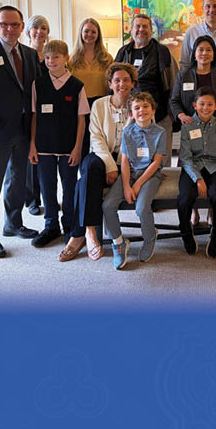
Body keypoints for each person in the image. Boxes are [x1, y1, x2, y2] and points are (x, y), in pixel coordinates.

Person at [58, 62, 138, 263]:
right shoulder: (99, 104)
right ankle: (91, 232)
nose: (121, 84)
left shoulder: (139, 104)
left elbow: (140, 138)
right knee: (91, 167)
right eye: (117, 80)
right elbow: (96, 137)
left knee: (82, 183)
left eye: (126, 80)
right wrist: (110, 166)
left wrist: (119, 165)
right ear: (110, 83)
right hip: (102, 155)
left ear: (133, 83)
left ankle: (78, 234)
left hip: (127, 159)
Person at [0, 5, 39, 258]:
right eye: (4, 24)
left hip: (23, 130)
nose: (10, 28)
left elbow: (34, 91)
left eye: (15, 24)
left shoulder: (30, 54)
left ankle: (13, 223)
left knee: (17, 180)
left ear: (22, 26)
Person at [29, 40, 89, 247]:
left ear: (66, 58)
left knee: (69, 187)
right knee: (47, 187)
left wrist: (77, 148)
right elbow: (34, 116)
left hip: (68, 147)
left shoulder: (77, 86)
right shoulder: (38, 84)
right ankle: (51, 225)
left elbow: (81, 120)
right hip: (43, 146)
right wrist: (32, 145)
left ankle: (69, 225)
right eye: (47, 57)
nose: (51, 61)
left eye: (56, 57)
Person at [102, 91, 166, 268]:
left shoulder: (160, 132)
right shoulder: (127, 132)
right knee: (107, 206)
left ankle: (150, 237)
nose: (142, 110)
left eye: (146, 106)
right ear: (131, 114)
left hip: (150, 174)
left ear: (153, 110)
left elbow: (156, 162)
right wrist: (126, 186)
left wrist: (137, 185)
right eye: (137, 108)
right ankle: (118, 242)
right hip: (129, 173)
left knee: (142, 207)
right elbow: (124, 161)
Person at [115, 14, 177, 165]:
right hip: (129, 116)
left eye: (145, 26)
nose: (141, 29)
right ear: (131, 30)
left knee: (161, 161)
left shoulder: (162, 52)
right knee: (132, 159)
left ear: (151, 30)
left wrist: (172, 111)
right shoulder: (123, 52)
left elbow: (174, 81)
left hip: (160, 114)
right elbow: (114, 82)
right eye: (138, 26)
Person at [177, 87, 216, 258]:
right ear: (194, 105)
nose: (205, 108)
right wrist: (198, 179)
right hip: (192, 167)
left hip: (214, 167)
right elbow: (185, 158)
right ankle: (186, 232)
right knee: (184, 198)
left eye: (209, 104)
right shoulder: (187, 126)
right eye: (201, 104)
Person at [68, 18, 113, 160]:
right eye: (86, 31)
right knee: (82, 140)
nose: (89, 35)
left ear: (98, 35)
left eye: (93, 32)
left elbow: (111, 82)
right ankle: (83, 170)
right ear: (81, 33)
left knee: (100, 140)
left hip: (100, 103)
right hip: (79, 104)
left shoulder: (107, 58)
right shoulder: (71, 59)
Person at [170, 35, 216, 126]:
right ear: (194, 53)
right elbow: (174, 101)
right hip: (190, 125)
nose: (204, 53)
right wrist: (182, 116)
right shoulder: (183, 76)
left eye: (208, 50)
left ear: (213, 54)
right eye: (201, 50)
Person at [24, 14, 51, 215]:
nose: (39, 32)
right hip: (29, 109)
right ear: (29, 31)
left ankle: (49, 196)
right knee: (31, 157)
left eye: (43, 28)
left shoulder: (51, 54)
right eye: (36, 28)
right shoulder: (24, 55)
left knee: (48, 157)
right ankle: (33, 199)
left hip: (49, 111)